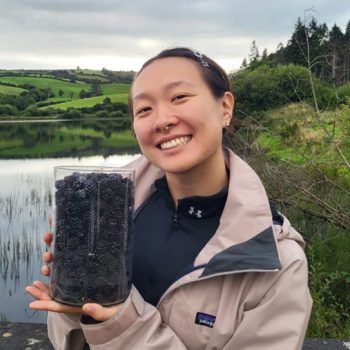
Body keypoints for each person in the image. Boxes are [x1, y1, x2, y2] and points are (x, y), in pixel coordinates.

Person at [26, 47, 312, 350]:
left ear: (225, 107)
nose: (162, 120)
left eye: (179, 98)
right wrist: (76, 300)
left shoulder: (276, 262)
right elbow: (70, 342)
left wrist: (121, 324)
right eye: (144, 110)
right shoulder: (106, 211)